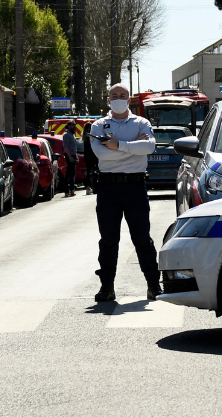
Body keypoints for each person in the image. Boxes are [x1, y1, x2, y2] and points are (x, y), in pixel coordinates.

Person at [88, 84, 160, 302]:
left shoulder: (142, 123)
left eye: (122, 95)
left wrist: (117, 145)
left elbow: (149, 148)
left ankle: (153, 285)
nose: (118, 98)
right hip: (109, 188)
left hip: (135, 187)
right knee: (108, 240)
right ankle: (107, 287)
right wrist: (132, 146)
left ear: (129, 99)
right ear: (108, 100)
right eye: (114, 95)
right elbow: (101, 153)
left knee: (142, 239)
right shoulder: (99, 125)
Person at [61, 120, 80, 197]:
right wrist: (69, 156)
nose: (74, 126)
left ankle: (70, 190)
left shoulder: (72, 134)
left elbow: (73, 146)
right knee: (70, 174)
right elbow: (66, 147)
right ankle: (69, 190)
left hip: (73, 155)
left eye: (75, 124)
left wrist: (76, 155)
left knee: (71, 173)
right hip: (69, 156)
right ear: (69, 125)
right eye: (73, 125)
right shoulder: (66, 135)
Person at [82, 121, 99, 195]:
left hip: (87, 156)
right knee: (96, 170)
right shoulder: (91, 136)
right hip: (93, 155)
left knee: (89, 171)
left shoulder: (84, 136)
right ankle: (95, 185)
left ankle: (88, 187)